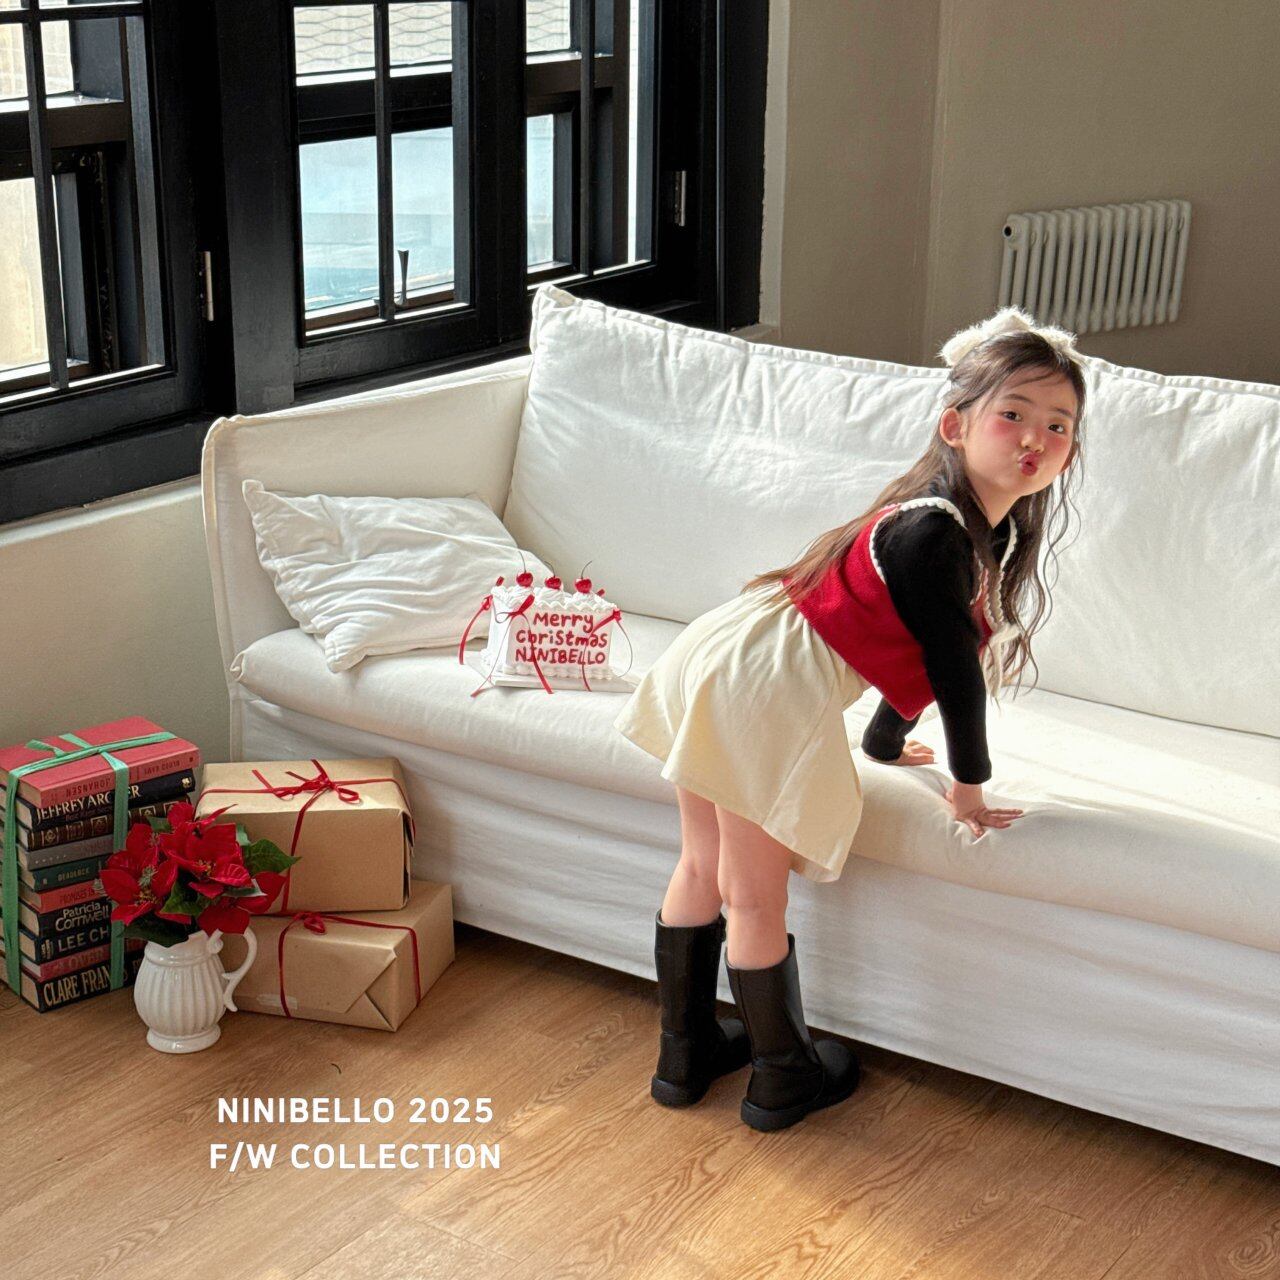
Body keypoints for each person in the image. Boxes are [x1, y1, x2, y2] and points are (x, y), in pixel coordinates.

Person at [612, 306, 1088, 1132]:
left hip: (722, 649)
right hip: (756, 686)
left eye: (1058, 425)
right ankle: (780, 1075)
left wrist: (882, 743)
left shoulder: (936, 518)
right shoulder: (938, 534)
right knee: (751, 896)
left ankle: (685, 1057)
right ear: (954, 425)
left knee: (701, 862)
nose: (1034, 439)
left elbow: (894, 643)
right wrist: (969, 789)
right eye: (1012, 414)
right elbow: (952, 674)